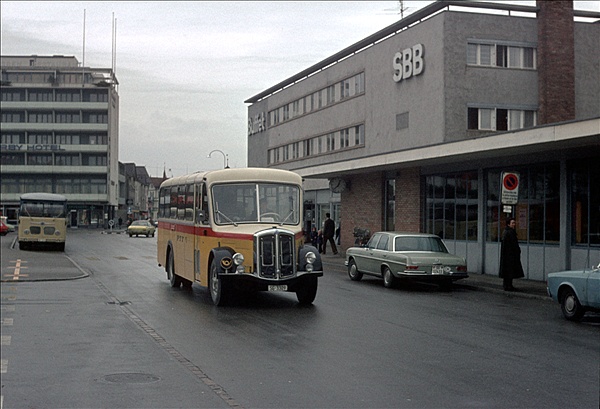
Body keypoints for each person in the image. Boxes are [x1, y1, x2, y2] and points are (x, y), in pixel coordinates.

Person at [499, 217, 524, 291]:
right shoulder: (510, 232)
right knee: (510, 271)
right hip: (510, 256)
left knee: (507, 271)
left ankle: (507, 285)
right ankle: (508, 285)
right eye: (512, 223)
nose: (514, 224)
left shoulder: (505, 232)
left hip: (507, 256)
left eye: (514, 223)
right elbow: (514, 245)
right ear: (508, 224)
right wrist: (517, 251)